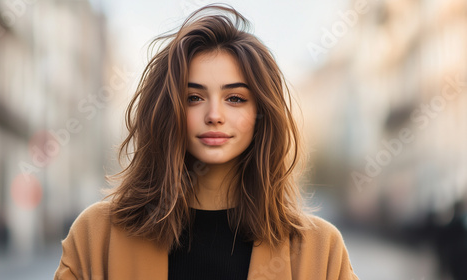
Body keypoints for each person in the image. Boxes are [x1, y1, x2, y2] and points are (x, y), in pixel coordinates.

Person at [54, 4, 359, 280]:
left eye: (235, 98)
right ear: (167, 111)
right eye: (194, 97)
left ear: (261, 114)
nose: (214, 115)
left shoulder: (321, 251)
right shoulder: (95, 237)